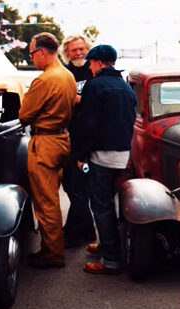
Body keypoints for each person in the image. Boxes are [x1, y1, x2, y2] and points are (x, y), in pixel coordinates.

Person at [74, 45, 137, 275]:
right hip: (122, 155)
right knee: (112, 205)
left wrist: (81, 156)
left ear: (99, 62)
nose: (89, 67)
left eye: (90, 63)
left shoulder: (96, 85)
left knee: (101, 206)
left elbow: (88, 124)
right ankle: (106, 246)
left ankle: (110, 259)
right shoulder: (125, 86)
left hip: (101, 155)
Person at [19, 32, 77, 268]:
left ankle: (52, 254)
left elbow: (24, 115)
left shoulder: (44, 79)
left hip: (44, 143)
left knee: (46, 202)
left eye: (32, 54)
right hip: (62, 139)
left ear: (42, 52)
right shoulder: (68, 75)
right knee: (51, 195)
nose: (32, 59)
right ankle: (52, 249)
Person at [58, 35, 96, 247]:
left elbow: (96, 98)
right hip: (67, 134)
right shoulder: (65, 72)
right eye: (74, 50)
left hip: (88, 137)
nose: (79, 53)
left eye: (82, 49)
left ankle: (72, 232)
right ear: (67, 52)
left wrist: (78, 99)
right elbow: (62, 97)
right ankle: (88, 229)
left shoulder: (92, 69)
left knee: (78, 185)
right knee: (70, 186)